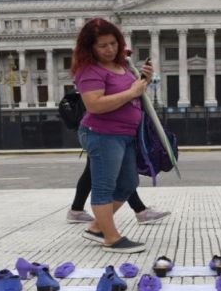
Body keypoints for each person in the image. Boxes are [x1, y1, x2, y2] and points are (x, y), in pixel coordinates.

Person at [71, 18, 152, 253]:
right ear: (90, 48)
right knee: (104, 186)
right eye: (102, 45)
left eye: (113, 43)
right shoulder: (89, 71)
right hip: (102, 134)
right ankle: (111, 237)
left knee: (128, 183)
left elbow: (133, 93)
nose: (110, 49)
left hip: (125, 134)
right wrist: (131, 92)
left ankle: (97, 227)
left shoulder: (121, 66)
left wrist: (144, 80)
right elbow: (94, 105)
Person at [66, 159, 170, 224]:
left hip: (100, 131)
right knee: (120, 169)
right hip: (103, 131)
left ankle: (77, 210)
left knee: (90, 169)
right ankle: (140, 210)